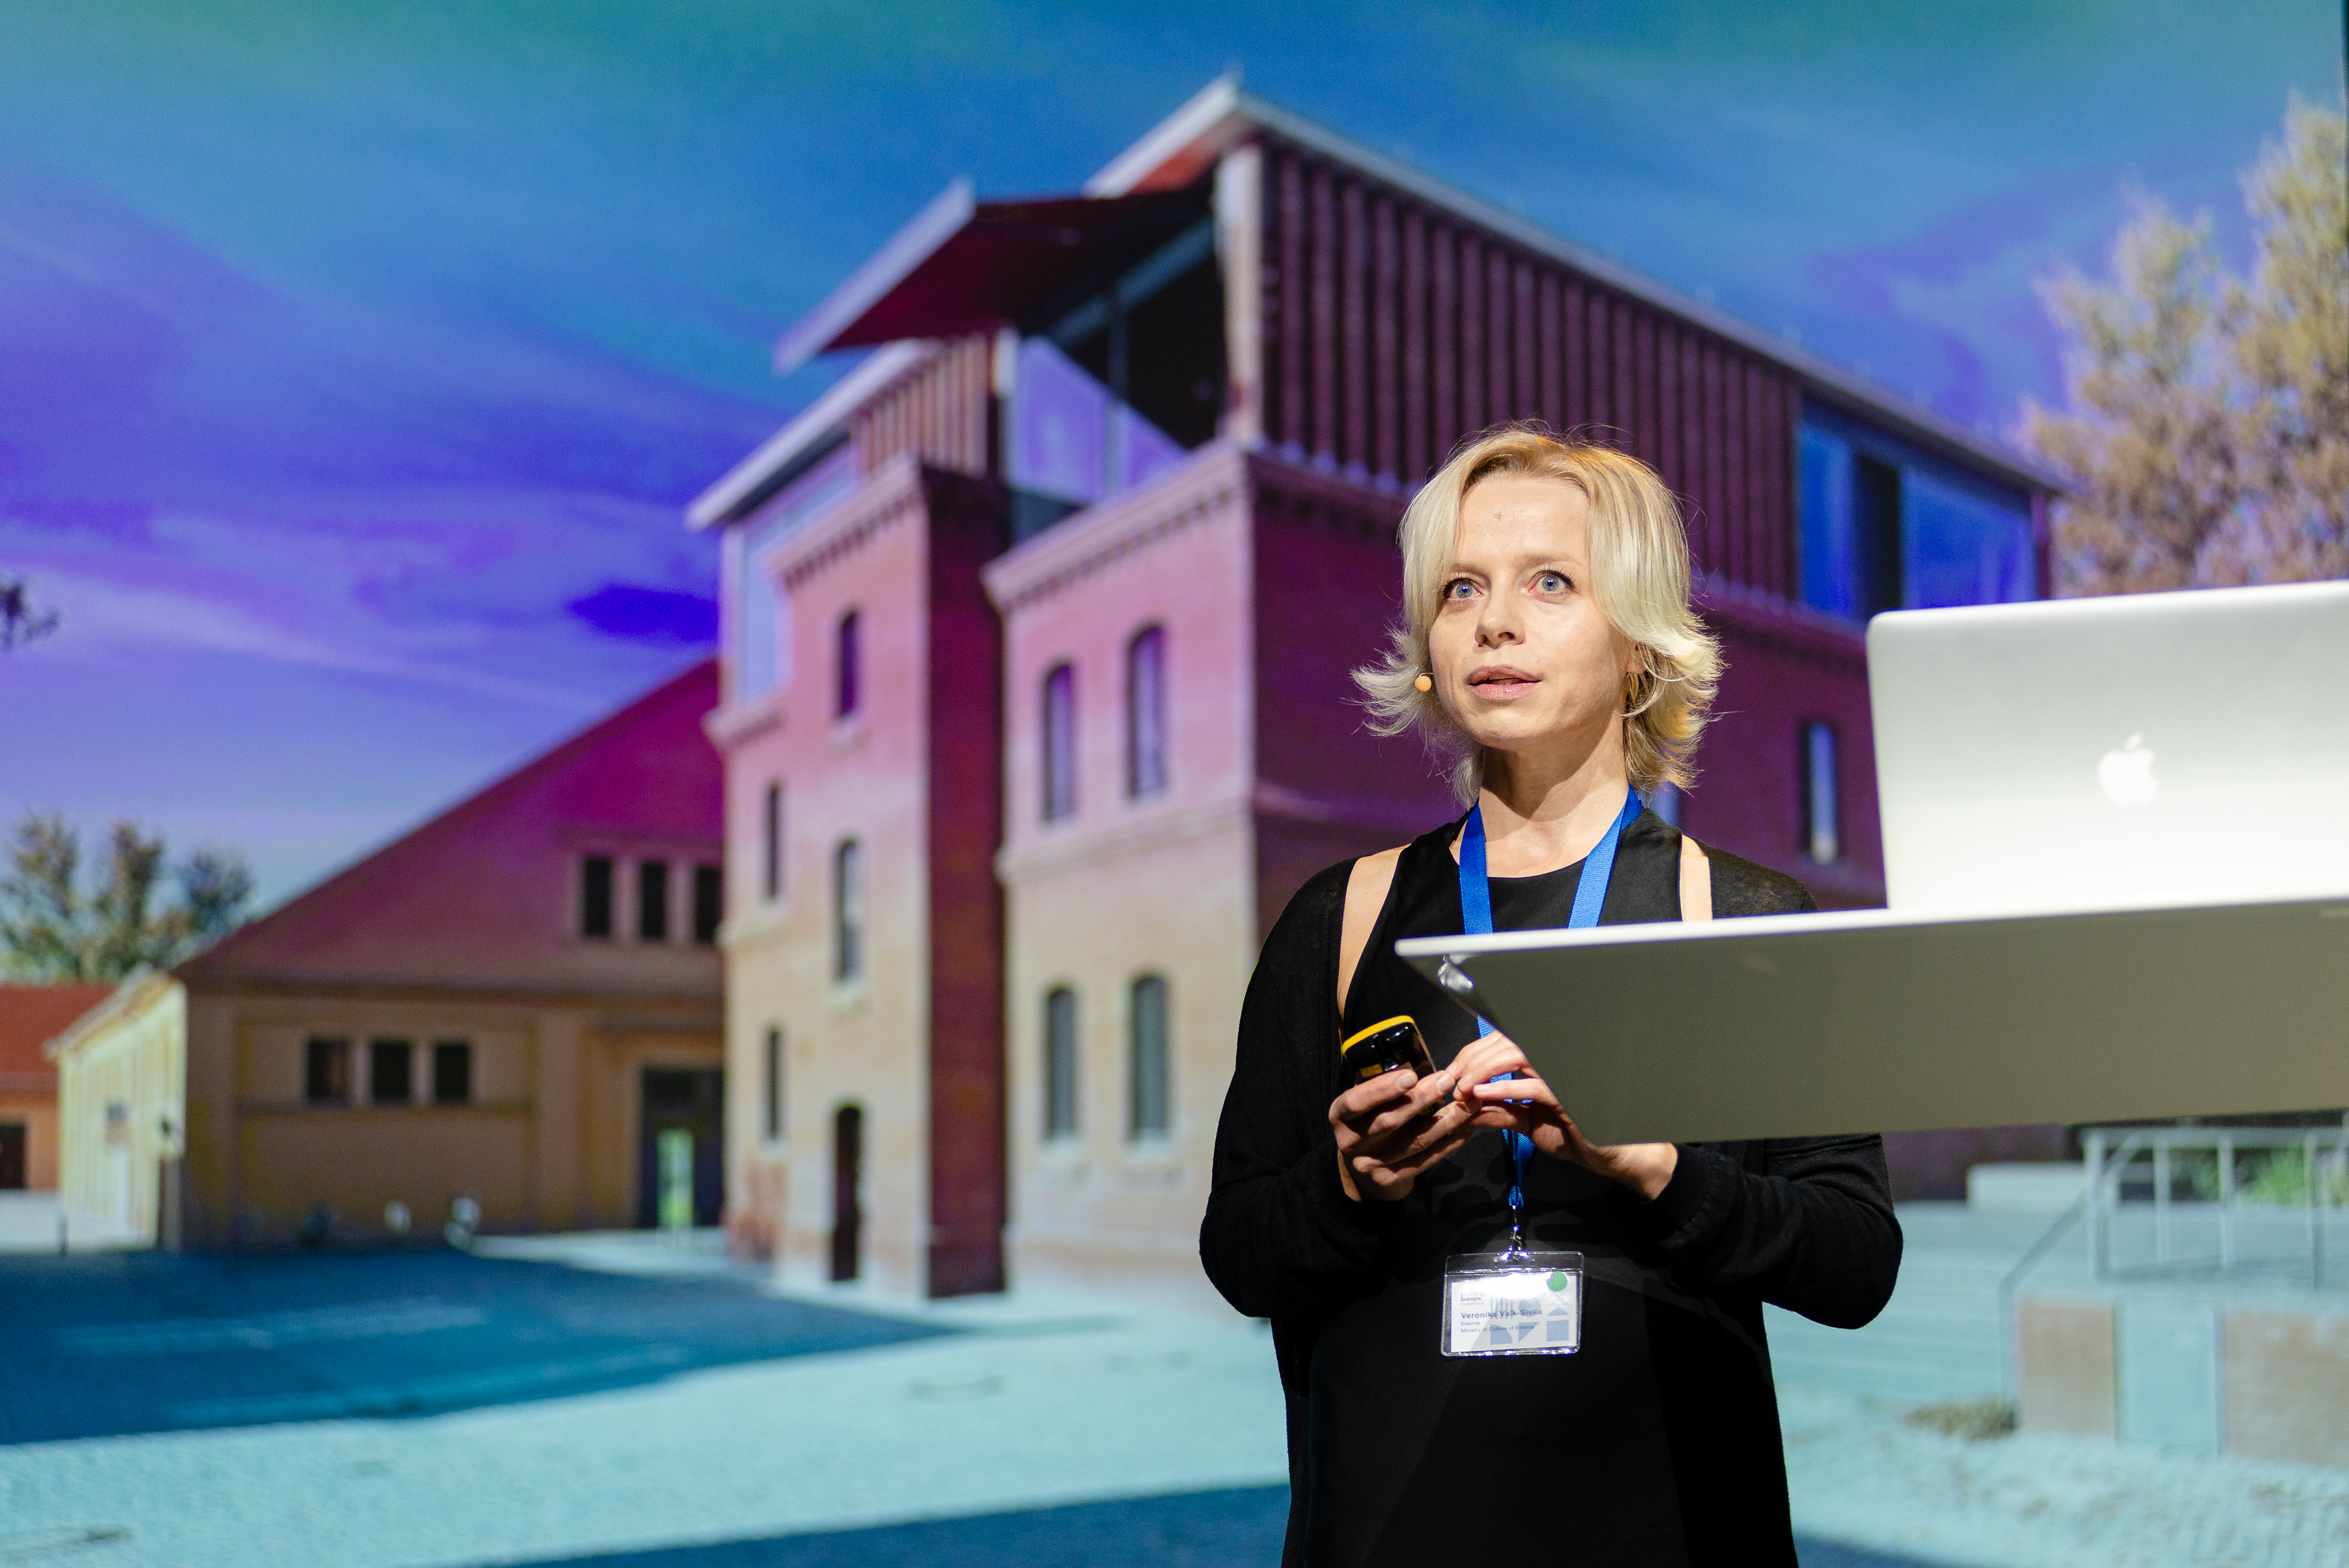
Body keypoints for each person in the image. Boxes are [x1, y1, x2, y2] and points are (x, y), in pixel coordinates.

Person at [1200, 425, 1902, 1567]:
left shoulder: (1744, 922)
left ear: (1639, 645)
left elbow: (1855, 1263)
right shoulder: (1341, 919)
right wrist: (1349, 1184)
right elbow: (1240, 1254)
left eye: (1551, 583)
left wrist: (1656, 1168)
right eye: (1461, 587)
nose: (1494, 622)